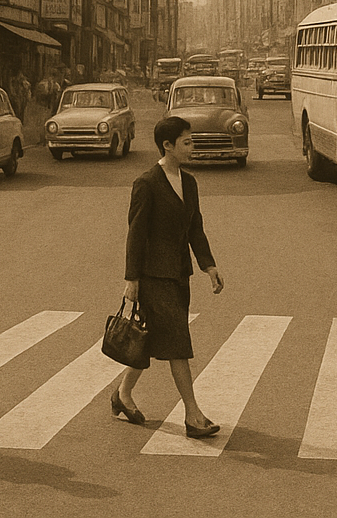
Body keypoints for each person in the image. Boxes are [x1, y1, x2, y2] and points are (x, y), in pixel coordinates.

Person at [114, 116, 225, 438]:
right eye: (187, 142)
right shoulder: (147, 183)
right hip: (152, 277)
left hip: (179, 275)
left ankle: (121, 395)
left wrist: (209, 266)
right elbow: (135, 234)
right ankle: (193, 415)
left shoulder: (189, 182)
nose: (193, 147)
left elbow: (195, 228)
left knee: (150, 339)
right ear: (168, 145)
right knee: (177, 343)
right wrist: (132, 279)